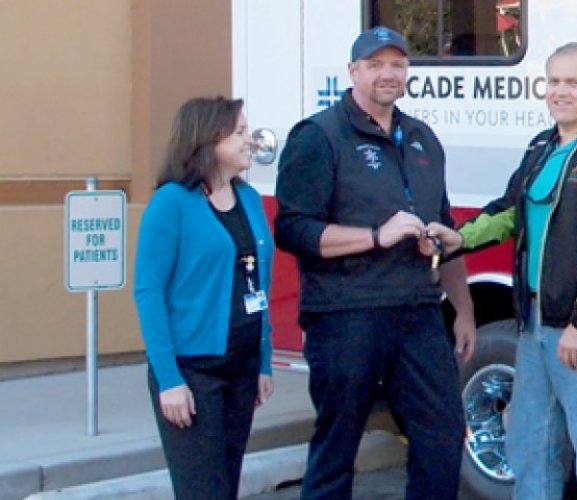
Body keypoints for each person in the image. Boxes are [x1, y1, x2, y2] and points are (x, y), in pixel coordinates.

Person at [272, 26, 474, 499]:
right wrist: (375, 237)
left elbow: (444, 226)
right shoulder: (319, 136)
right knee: (338, 446)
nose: (389, 74)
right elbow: (293, 229)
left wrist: (463, 309)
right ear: (353, 72)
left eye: (398, 64)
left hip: (419, 311)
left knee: (442, 434)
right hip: (346, 313)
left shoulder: (422, 137)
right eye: (376, 64)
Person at [442, 42, 577, 499]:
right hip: (534, 327)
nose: (560, 91)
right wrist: (460, 237)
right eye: (553, 81)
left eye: (572, 82)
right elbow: (510, 212)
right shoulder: (542, 147)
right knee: (532, 449)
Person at [133, 96, 275, 499]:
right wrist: (169, 379)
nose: (251, 141)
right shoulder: (171, 203)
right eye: (241, 133)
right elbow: (148, 292)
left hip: (242, 366)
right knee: (202, 490)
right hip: (193, 371)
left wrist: (263, 362)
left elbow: (257, 282)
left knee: (226, 486)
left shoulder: (248, 198)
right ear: (209, 141)